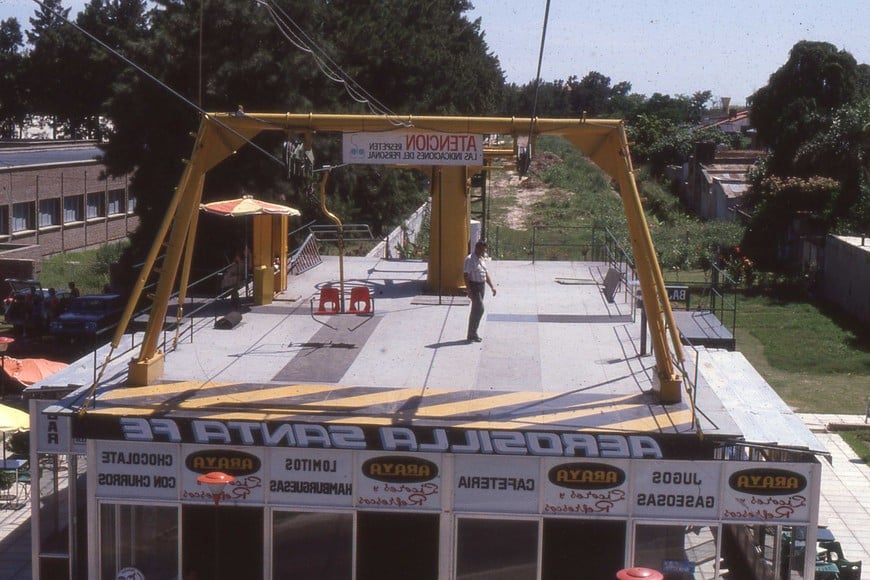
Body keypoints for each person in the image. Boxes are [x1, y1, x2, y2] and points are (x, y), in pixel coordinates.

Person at [463, 239, 496, 342]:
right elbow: (465, 275)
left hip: (482, 286)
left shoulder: (481, 259)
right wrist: (468, 290)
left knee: (475, 310)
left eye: (484, 250)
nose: (483, 252)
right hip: (474, 286)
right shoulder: (469, 259)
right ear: (477, 248)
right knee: (480, 309)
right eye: (482, 250)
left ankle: (472, 333)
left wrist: (492, 286)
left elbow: (485, 273)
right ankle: (473, 333)